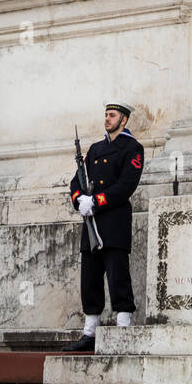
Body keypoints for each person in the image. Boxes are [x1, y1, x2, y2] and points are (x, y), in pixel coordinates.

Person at [64, 99, 144, 354]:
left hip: (114, 220)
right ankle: (89, 332)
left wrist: (96, 201)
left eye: (112, 115)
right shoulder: (96, 149)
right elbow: (77, 180)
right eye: (106, 115)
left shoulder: (132, 148)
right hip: (91, 221)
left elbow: (126, 186)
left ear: (124, 119)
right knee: (90, 277)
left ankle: (123, 325)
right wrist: (80, 200)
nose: (107, 119)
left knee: (117, 274)